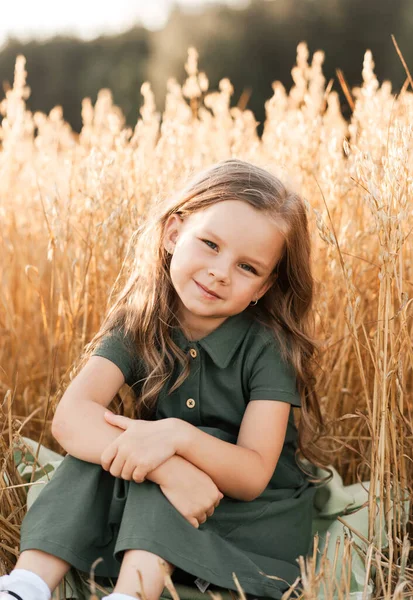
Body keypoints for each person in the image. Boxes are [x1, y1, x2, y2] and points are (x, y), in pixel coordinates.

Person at [0, 159, 330, 600]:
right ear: (174, 233)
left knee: (143, 459)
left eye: (248, 268)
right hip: (170, 487)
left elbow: (252, 474)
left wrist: (175, 438)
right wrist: (167, 466)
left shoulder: (268, 349)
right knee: (93, 457)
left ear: (263, 289)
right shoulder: (139, 325)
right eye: (210, 244)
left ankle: (132, 594)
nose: (220, 271)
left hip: (246, 515)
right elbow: (71, 418)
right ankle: (26, 586)